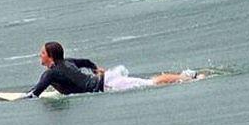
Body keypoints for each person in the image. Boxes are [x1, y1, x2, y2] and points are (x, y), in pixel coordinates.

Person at [25, 41, 204, 98]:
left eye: (42, 53)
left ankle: (187, 76)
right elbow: (86, 61)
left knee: (152, 82)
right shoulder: (66, 62)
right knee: (150, 81)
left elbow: (35, 94)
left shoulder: (51, 73)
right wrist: (95, 70)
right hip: (107, 79)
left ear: (50, 56)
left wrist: (19, 99)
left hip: (108, 85)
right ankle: (185, 76)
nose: (39, 55)